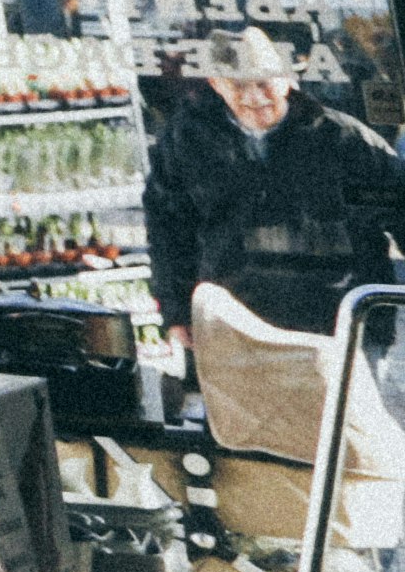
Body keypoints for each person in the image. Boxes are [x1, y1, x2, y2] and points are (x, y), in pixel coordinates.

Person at [150, 27, 405, 346]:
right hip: (239, 325)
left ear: (287, 79)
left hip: (341, 325)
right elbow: (169, 232)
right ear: (216, 85)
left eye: (263, 82)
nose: (254, 97)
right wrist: (175, 314)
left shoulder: (344, 141)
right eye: (238, 85)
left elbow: (399, 212)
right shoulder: (187, 142)